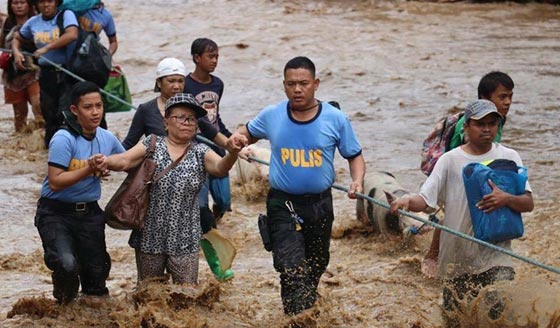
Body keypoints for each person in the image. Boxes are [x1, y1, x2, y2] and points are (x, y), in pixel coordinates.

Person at [227, 56, 366, 316]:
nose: (297, 89)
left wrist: (356, 180)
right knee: (291, 267)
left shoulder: (336, 119)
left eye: (303, 83)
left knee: (317, 264)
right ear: (284, 86)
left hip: (320, 203)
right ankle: (297, 318)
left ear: (315, 84)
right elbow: (246, 132)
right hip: (282, 202)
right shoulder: (272, 115)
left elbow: (354, 155)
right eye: (291, 84)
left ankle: (304, 308)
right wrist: (238, 138)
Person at [391, 99, 533, 325]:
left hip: (497, 256)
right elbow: (426, 200)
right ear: (466, 127)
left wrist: (506, 198)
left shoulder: (509, 156)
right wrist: (407, 200)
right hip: (457, 259)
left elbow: (528, 202)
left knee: (498, 318)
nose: (486, 129)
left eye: (491, 123)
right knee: (455, 320)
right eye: (479, 124)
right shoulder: (450, 160)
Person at [97, 93, 242, 284]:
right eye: (181, 117)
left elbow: (221, 168)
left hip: (186, 239)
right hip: (150, 235)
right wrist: (105, 161)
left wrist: (232, 152)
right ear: (166, 122)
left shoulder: (200, 152)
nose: (187, 123)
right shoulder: (152, 144)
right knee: (150, 295)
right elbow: (125, 160)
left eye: (191, 119)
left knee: (187, 296)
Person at [34, 81, 125, 304]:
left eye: (99, 106)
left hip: (90, 214)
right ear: (74, 110)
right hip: (55, 213)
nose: (95, 112)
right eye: (88, 107)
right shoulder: (63, 139)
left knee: (96, 279)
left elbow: (127, 162)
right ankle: (64, 308)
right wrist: (90, 168)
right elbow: (55, 181)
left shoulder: (106, 137)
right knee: (66, 265)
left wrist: (109, 163)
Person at [423, 71, 516, 278]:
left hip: (473, 175)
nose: (508, 102)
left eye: (510, 96)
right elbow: (468, 155)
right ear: (485, 98)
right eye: (502, 97)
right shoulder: (469, 127)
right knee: (454, 215)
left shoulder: (496, 121)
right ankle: (433, 255)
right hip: (458, 175)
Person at [184, 37, 234, 282]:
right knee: (201, 208)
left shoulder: (218, 84)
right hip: (196, 152)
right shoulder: (184, 85)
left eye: (217, 56)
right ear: (196, 58)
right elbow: (199, 121)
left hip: (218, 147)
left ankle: (209, 227)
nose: (214, 61)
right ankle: (211, 248)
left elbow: (214, 118)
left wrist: (229, 138)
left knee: (224, 202)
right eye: (210, 56)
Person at [12, 0, 78, 148]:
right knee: (49, 114)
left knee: (66, 113)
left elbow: (72, 35)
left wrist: (47, 48)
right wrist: (16, 52)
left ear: (56, 3)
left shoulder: (66, 15)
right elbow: (18, 37)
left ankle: (72, 149)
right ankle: (50, 152)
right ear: (36, 5)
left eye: (50, 1)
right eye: (42, 2)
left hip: (67, 73)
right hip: (46, 75)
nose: (46, 5)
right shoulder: (33, 22)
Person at [0, 0, 43, 133]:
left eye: (22, 3)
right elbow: (2, 44)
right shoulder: (7, 23)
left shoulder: (37, 21)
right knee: (19, 116)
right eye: (15, 3)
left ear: (29, 4)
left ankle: (43, 142)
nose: (18, 6)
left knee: (39, 108)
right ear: (10, 6)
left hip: (35, 71)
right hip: (13, 74)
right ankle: (21, 146)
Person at [77, 1, 118, 129]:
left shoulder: (105, 15)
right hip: (73, 59)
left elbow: (113, 41)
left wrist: (107, 57)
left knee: (95, 100)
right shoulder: (72, 8)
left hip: (93, 62)